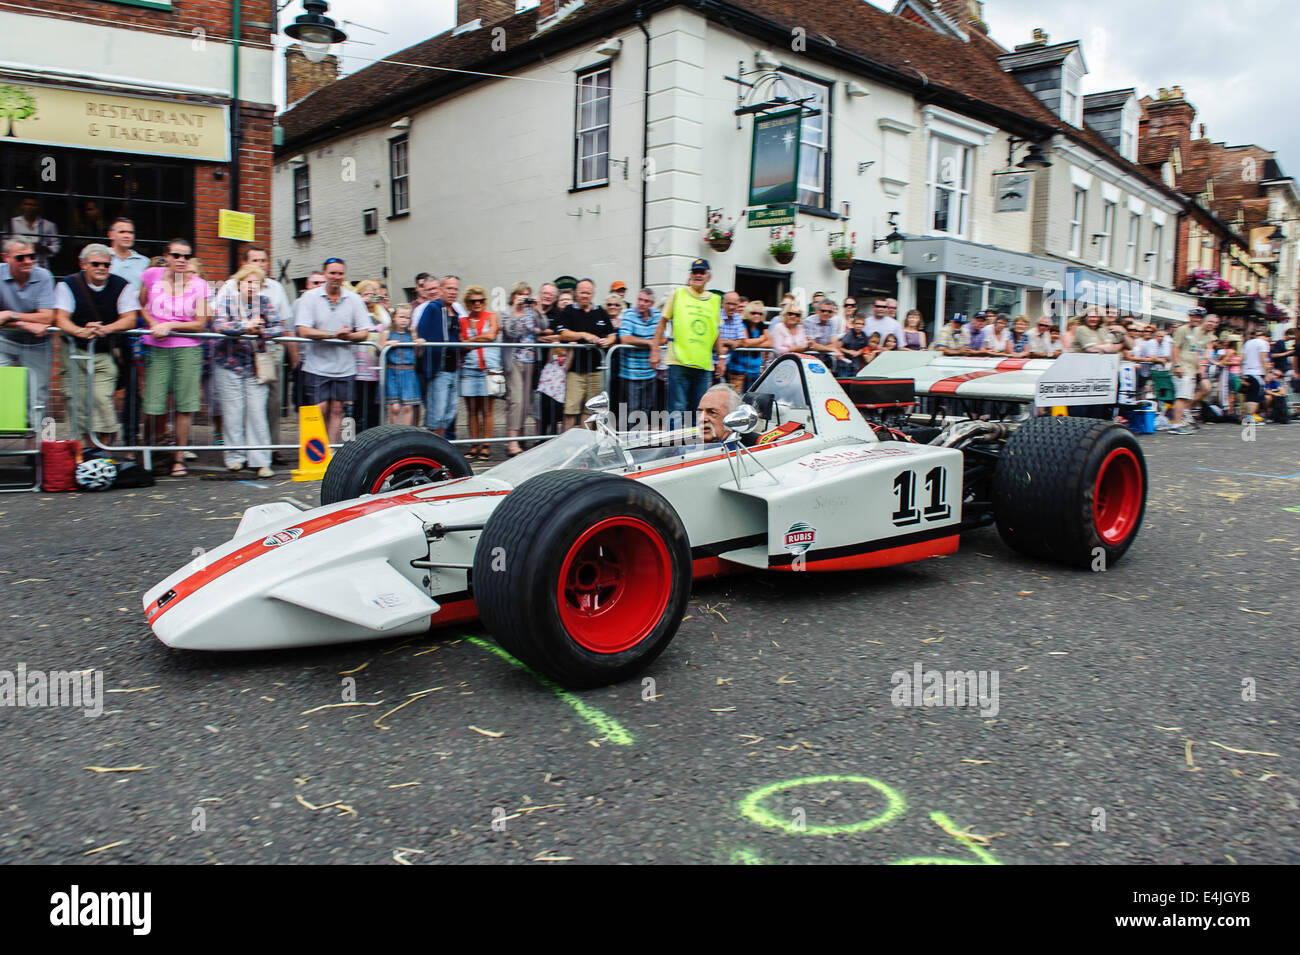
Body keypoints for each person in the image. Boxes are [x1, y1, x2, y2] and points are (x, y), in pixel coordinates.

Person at [53, 243, 140, 450]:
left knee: (102, 399)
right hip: (74, 351)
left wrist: (106, 329)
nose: (102, 268)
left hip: (104, 352)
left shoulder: (122, 285)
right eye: (96, 264)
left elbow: (130, 319)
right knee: (77, 400)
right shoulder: (67, 284)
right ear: (83, 264)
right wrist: (81, 331)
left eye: (106, 265)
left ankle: (103, 449)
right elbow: (61, 319)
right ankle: (86, 451)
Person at [138, 239, 209, 476]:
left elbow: (200, 323)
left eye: (186, 257)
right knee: (153, 403)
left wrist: (170, 325)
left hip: (187, 347)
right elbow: (141, 305)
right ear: (166, 256)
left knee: (184, 405)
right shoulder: (151, 275)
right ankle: (149, 455)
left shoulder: (199, 285)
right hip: (156, 346)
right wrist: (152, 324)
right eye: (176, 255)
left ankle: (179, 458)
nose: (181, 260)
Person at [211, 263, 285, 477]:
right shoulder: (227, 301)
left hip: (256, 366)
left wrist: (261, 331)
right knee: (233, 412)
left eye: (255, 283)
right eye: (247, 282)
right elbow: (219, 326)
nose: (251, 286)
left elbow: (278, 327)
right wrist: (245, 327)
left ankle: (261, 460)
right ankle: (235, 457)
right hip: (229, 363)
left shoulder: (266, 302)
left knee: (256, 412)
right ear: (239, 284)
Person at [295, 257, 370, 445]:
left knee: (337, 409)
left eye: (340, 273)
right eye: (332, 273)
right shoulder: (310, 297)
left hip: (344, 366)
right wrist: (332, 334)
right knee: (319, 409)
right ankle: (315, 454)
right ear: (325, 274)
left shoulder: (353, 299)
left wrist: (348, 336)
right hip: (316, 365)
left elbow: (364, 332)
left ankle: (330, 452)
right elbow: (303, 330)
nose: (336, 277)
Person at [652, 259, 723, 428]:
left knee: (699, 410)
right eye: (695, 272)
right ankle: (673, 449)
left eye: (702, 272)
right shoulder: (678, 294)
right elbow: (662, 322)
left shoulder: (714, 300)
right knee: (677, 409)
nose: (698, 275)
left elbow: (716, 331)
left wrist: (722, 358)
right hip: (679, 361)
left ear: (708, 276)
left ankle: (693, 449)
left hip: (703, 364)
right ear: (690, 275)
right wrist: (654, 350)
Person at [0, 239, 56, 412]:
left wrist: (11, 315)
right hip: (5, 340)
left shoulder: (44, 276)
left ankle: (36, 439)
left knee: (37, 396)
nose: (28, 261)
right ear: (6, 258)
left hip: (38, 343)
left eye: (32, 256)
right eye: (20, 258)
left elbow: (47, 317)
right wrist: (24, 324)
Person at [555, 278, 616, 431]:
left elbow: (613, 334)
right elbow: (563, 334)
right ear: (576, 293)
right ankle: (566, 444)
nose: (585, 296)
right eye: (582, 292)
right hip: (575, 370)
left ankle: (583, 446)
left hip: (596, 370)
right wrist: (583, 335)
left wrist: (607, 341)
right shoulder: (569, 310)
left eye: (588, 293)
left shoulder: (600, 311)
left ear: (593, 294)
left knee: (590, 411)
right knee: (571, 409)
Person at [413, 274, 461, 438]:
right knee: (437, 414)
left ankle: (439, 448)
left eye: (455, 288)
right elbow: (422, 333)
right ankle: (434, 450)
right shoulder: (432, 308)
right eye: (449, 288)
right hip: (438, 369)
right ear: (441, 289)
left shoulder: (455, 311)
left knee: (451, 411)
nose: (452, 292)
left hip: (453, 368)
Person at [458, 285, 500, 460]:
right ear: (468, 303)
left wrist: (472, 339)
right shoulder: (463, 321)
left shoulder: (492, 317)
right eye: (473, 301)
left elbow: (490, 336)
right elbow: (463, 344)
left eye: (480, 300)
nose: (477, 304)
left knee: (487, 410)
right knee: (472, 410)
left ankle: (486, 445)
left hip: (489, 367)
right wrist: (473, 341)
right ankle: (474, 444)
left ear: (484, 301)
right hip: (469, 367)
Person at [500, 283, 542, 455]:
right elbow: (511, 332)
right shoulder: (506, 312)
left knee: (525, 402)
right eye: (520, 294)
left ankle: (520, 437)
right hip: (514, 360)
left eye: (526, 294)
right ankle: (511, 442)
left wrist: (538, 310)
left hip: (530, 360)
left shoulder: (531, 312)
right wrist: (515, 311)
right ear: (514, 295)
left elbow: (544, 326)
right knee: (515, 400)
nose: (524, 297)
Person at [350, 278, 390, 434]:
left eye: (373, 295)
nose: (370, 298)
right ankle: (351, 440)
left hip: (374, 369)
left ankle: (373, 439)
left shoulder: (380, 315)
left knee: (374, 409)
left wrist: (378, 303)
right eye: (366, 294)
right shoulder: (355, 312)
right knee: (356, 408)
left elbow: (386, 323)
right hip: (356, 369)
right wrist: (361, 302)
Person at [617, 287, 661, 420]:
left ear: (651, 304)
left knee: (647, 409)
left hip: (650, 372)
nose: (642, 303)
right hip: (631, 374)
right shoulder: (629, 314)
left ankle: (641, 439)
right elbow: (625, 338)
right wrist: (650, 343)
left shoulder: (657, 315)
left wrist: (651, 341)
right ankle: (630, 439)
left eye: (646, 301)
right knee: (632, 411)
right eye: (640, 299)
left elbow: (663, 337)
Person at [1169, 307, 1211, 434]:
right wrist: (1177, 365)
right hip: (1183, 369)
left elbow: (1195, 351)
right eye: (1194, 316)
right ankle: (1176, 425)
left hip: (1191, 369)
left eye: (1199, 317)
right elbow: (1175, 348)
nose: (1196, 319)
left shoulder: (1197, 332)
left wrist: (1199, 368)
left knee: (1186, 397)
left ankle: (1181, 421)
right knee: (1181, 397)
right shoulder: (1182, 329)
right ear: (1189, 316)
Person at [379, 304, 422, 426]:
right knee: (394, 407)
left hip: (408, 373)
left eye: (407, 318)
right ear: (394, 317)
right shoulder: (388, 333)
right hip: (392, 372)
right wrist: (387, 343)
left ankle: (406, 433)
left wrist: (419, 344)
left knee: (408, 407)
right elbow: (378, 351)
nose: (404, 320)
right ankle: (395, 431)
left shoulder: (412, 334)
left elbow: (418, 355)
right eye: (401, 316)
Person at [726, 301, 770, 395]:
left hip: (755, 369)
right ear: (748, 313)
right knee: (735, 398)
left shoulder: (762, 325)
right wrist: (762, 339)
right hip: (738, 369)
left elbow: (770, 343)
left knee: (750, 399)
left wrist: (752, 343)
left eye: (760, 313)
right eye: (753, 313)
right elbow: (745, 343)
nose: (757, 315)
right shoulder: (742, 324)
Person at [8, 197, 60, 270]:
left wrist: (43, 248)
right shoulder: (13, 223)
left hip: (41, 265)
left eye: (33, 205)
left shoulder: (49, 225)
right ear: (22, 206)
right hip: (18, 264)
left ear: (38, 207)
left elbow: (56, 246)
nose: (30, 207)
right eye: (27, 204)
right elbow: (5, 243)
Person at [1238, 327, 1270, 422]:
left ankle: (1247, 417)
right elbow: (1263, 359)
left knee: (1248, 396)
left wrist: (1242, 372)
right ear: (1266, 336)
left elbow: (1242, 358)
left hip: (1247, 372)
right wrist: (1266, 373)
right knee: (1254, 397)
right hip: (1257, 373)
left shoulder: (1248, 343)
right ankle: (1249, 418)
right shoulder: (1263, 343)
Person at [716, 291, 747, 385]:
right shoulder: (716, 316)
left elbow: (741, 341)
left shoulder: (737, 317)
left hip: (727, 363)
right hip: (712, 362)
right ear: (722, 303)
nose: (731, 307)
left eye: (734, 304)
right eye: (728, 303)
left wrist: (725, 343)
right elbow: (713, 341)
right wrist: (731, 343)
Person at [804, 298, 844, 369]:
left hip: (826, 360)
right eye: (823, 311)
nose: (826, 313)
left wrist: (825, 348)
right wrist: (831, 349)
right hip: (810, 360)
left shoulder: (832, 322)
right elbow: (811, 346)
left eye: (829, 311)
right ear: (817, 311)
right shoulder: (809, 321)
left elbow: (834, 344)